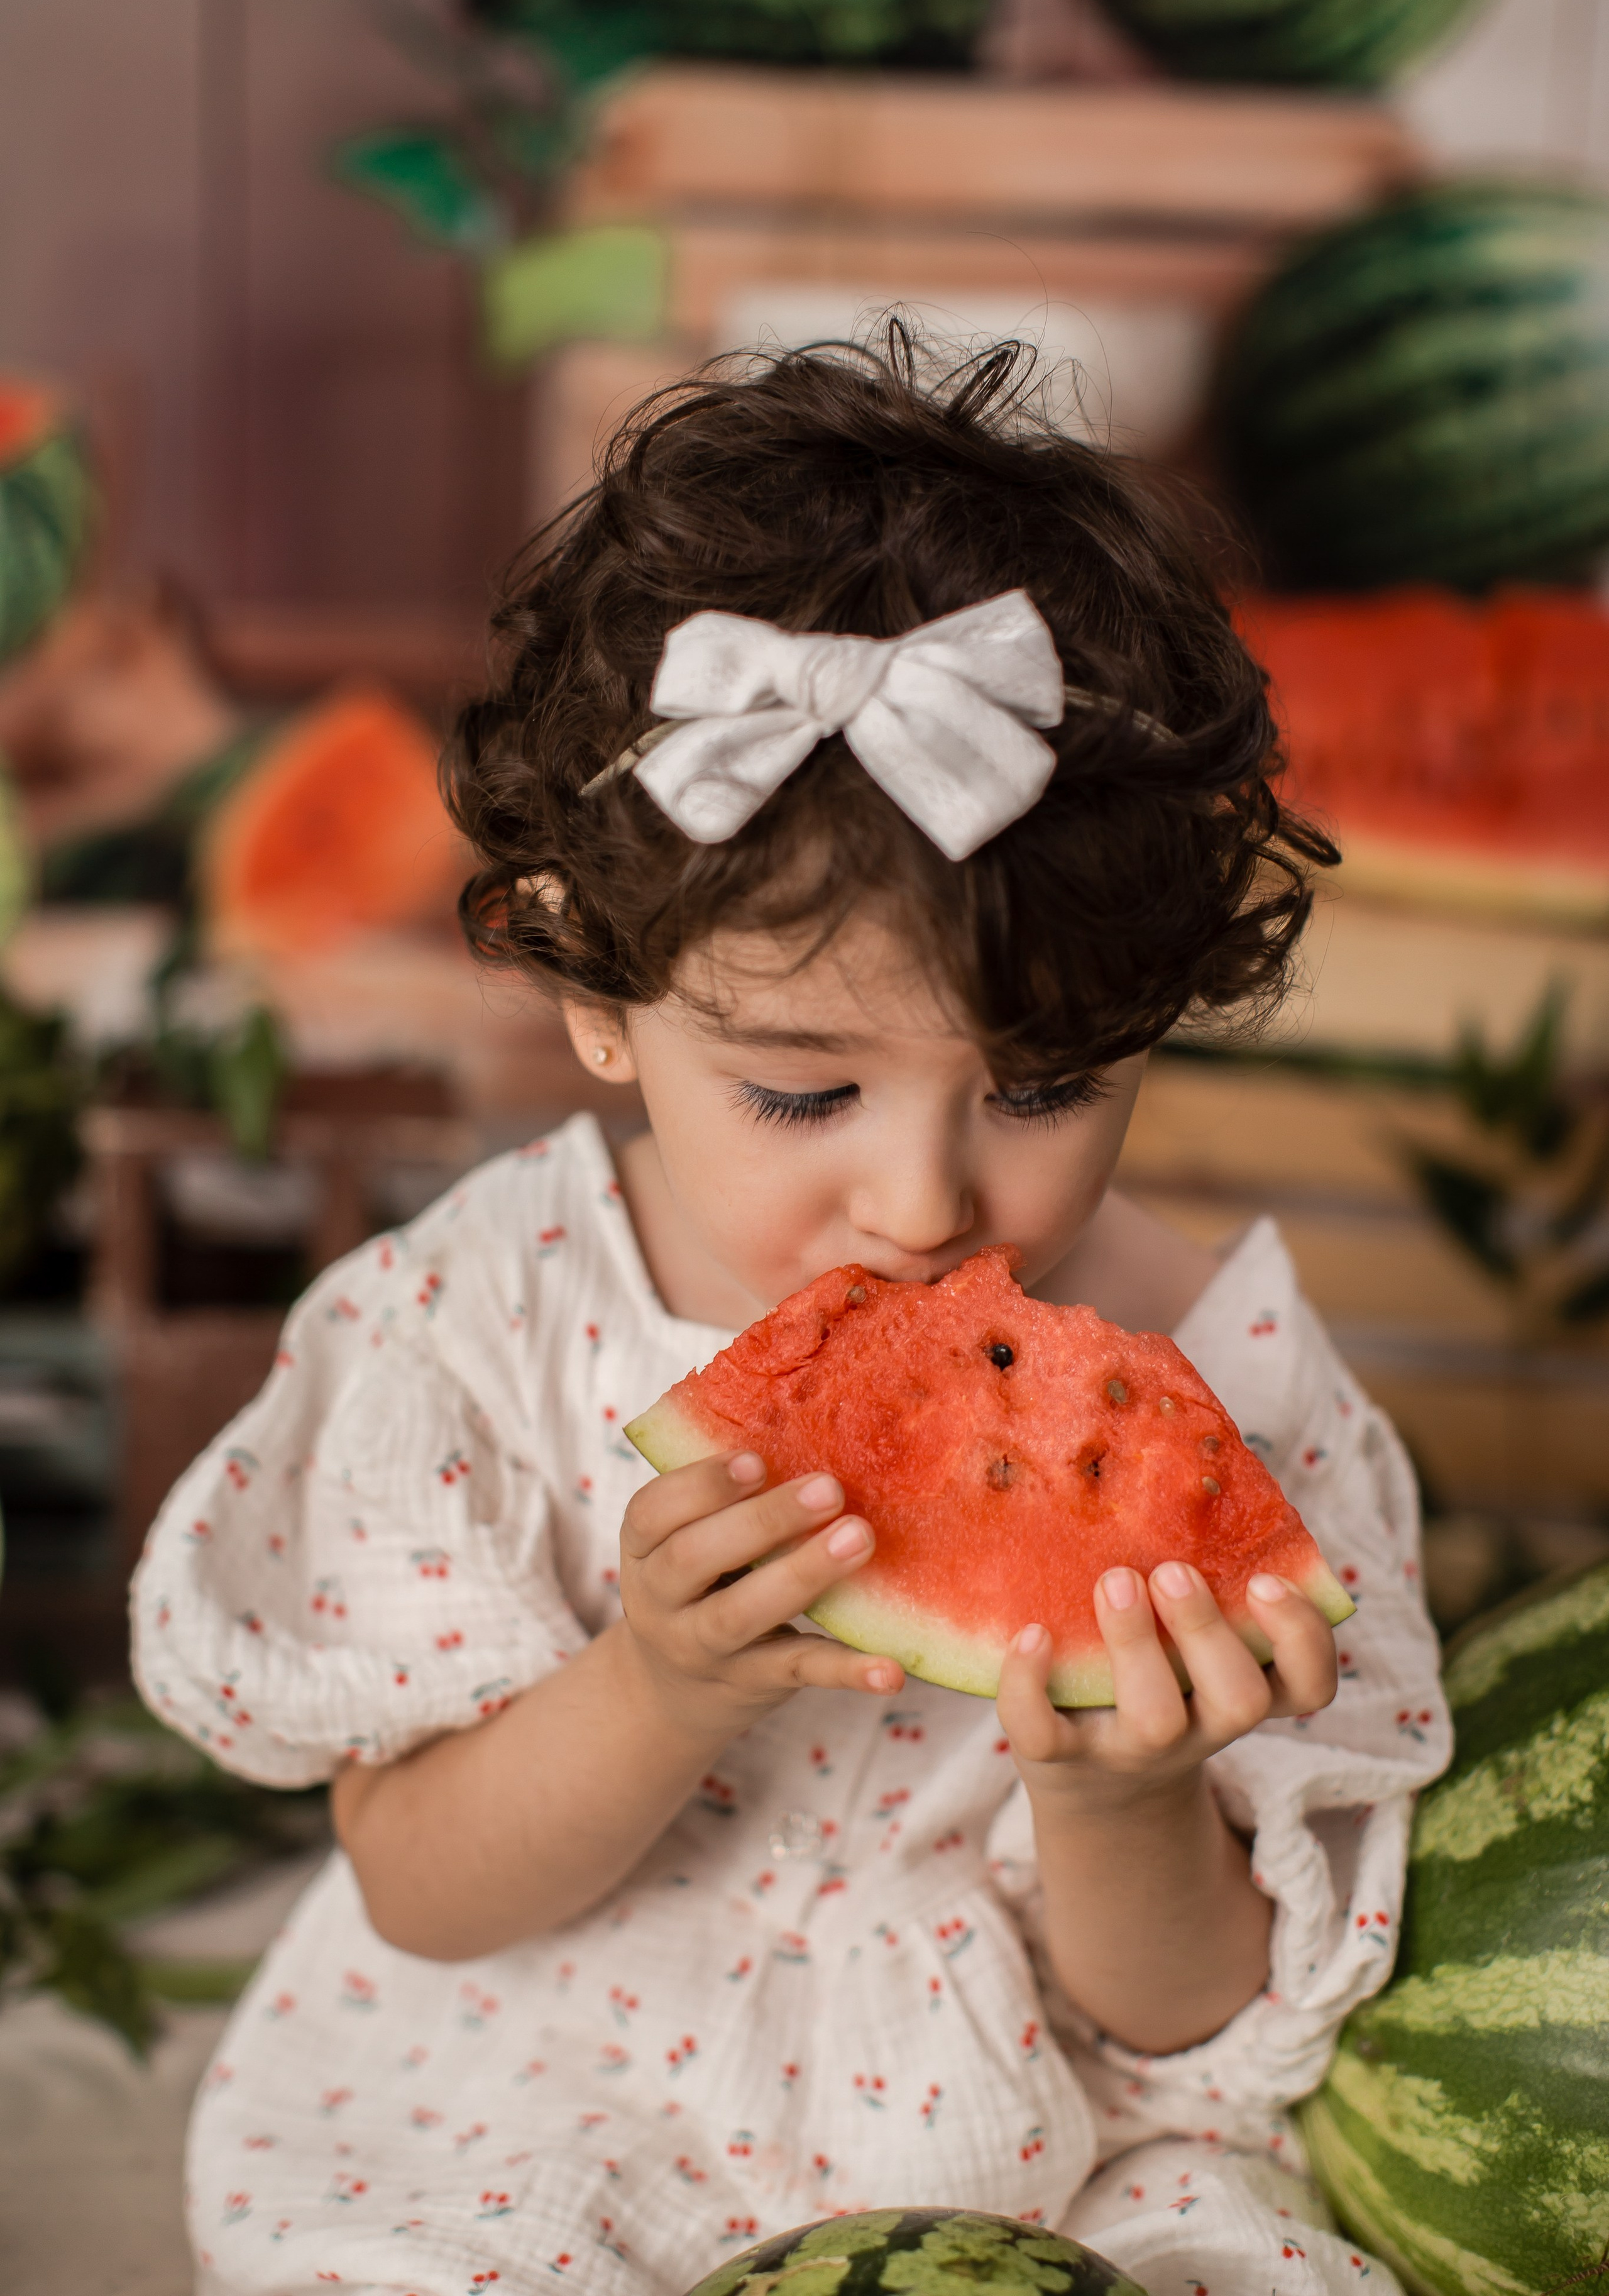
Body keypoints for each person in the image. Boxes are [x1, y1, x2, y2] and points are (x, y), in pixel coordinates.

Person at [133, 331, 1449, 2296]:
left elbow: (1191, 2031)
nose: (922, 1206)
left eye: (1044, 1086)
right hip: (539, 2094)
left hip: (1044, 2137)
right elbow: (419, 1890)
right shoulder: (470, 1324)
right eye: (802, 1091)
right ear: (595, 988)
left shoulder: (1242, 1383)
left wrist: (1124, 1791)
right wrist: (655, 1687)